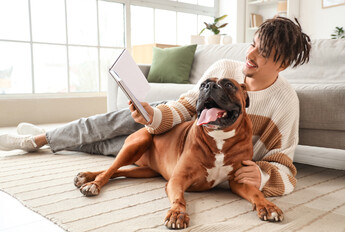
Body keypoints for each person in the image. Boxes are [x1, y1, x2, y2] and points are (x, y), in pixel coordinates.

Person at [0, 16, 311, 197]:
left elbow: (285, 167)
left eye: (264, 52)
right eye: (253, 44)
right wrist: (153, 116)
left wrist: (265, 178)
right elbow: (188, 105)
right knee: (107, 123)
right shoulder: (225, 67)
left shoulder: (285, 101)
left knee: (111, 147)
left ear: (282, 64)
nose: (251, 55)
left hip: (193, 149)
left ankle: (53, 138)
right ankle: (36, 140)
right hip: (176, 121)